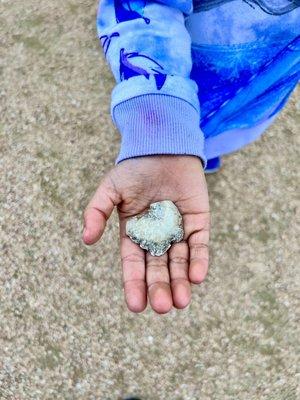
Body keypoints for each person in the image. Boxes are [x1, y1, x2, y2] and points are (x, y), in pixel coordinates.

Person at [82, 0, 300, 314]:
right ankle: (187, 149)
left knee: (211, 143)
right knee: (182, 133)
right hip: (178, 76)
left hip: (257, 101)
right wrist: (159, 127)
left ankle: (202, 154)